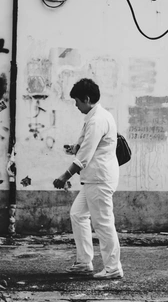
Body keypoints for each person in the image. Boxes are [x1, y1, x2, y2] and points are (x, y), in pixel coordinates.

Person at [53, 78, 123, 280]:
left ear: (86, 99)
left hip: (99, 179)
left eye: (77, 101)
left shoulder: (97, 120)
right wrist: (75, 148)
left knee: (103, 223)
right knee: (77, 214)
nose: (76, 105)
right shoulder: (96, 116)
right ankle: (84, 262)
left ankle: (113, 267)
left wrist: (65, 176)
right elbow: (85, 147)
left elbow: (85, 154)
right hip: (94, 179)